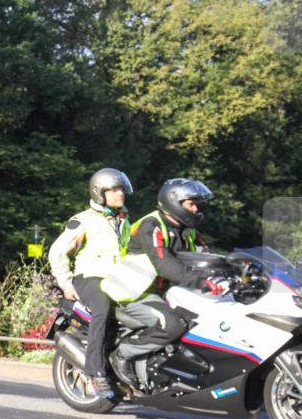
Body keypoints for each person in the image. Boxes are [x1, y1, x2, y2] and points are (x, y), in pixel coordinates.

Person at [102, 178, 222, 390]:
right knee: (173, 324)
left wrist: (235, 271)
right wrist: (201, 281)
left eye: (197, 204)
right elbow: (163, 263)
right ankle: (123, 353)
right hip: (136, 293)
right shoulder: (151, 225)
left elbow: (208, 256)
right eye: (191, 204)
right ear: (175, 202)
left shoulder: (187, 229)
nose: (196, 208)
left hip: (166, 292)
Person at [49, 167, 133, 396]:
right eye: (114, 190)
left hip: (118, 282)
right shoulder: (83, 221)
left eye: (121, 190)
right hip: (89, 278)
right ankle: (95, 372)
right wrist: (66, 284)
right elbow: (57, 253)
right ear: (99, 193)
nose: (120, 194)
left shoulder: (123, 221)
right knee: (102, 307)